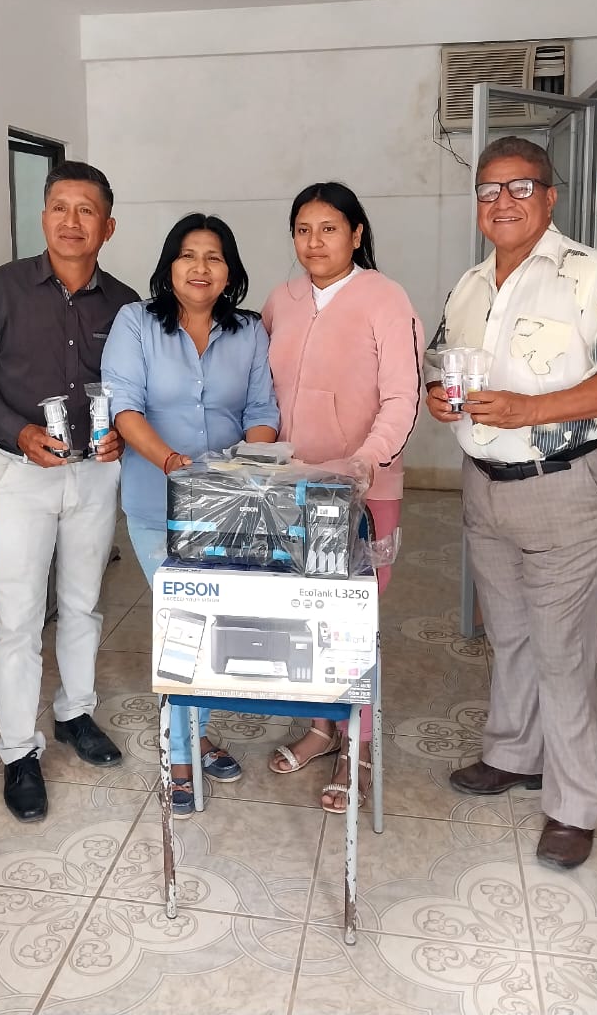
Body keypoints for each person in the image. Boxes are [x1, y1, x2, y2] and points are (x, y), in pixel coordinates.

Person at [425, 135, 597, 870]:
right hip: (487, 487)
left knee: (563, 651)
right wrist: (438, 397)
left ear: (550, 197)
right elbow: (442, 361)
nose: (502, 202)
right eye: (488, 190)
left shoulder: (593, 275)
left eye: (519, 187)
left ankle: (574, 805)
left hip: (570, 488)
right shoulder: (469, 286)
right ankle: (513, 754)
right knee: (512, 634)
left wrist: (532, 410)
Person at [0, 161, 138, 822]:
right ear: (43, 217)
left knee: (83, 604)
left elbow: (136, 390)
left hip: (95, 472)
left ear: (107, 227)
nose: (71, 221)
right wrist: (18, 432)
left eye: (87, 210)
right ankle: (18, 751)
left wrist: (125, 437)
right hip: (22, 473)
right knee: (20, 617)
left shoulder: (126, 305)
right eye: (60, 207)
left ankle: (74, 714)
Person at [101, 213, 280, 817]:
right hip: (158, 503)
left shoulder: (248, 330)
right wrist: (175, 464)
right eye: (187, 255)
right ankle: (180, 757)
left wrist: (243, 470)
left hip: (229, 505)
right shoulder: (135, 322)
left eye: (214, 257)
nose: (200, 268)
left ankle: (194, 736)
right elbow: (124, 408)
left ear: (230, 271)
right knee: (184, 624)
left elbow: (261, 410)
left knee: (212, 623)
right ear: (169, 266)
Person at [262, 182, 424, 812]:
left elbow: (403, 398)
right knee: (303, 617)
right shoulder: (282, 300)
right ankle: (321, 729)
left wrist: (365, 462)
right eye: (303, 229)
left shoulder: (386, 299)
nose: (314, 242)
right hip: (292, 489)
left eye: (329, 228)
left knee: (352, 620)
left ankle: (359, 744)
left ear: (356, 234)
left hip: (364, 490)